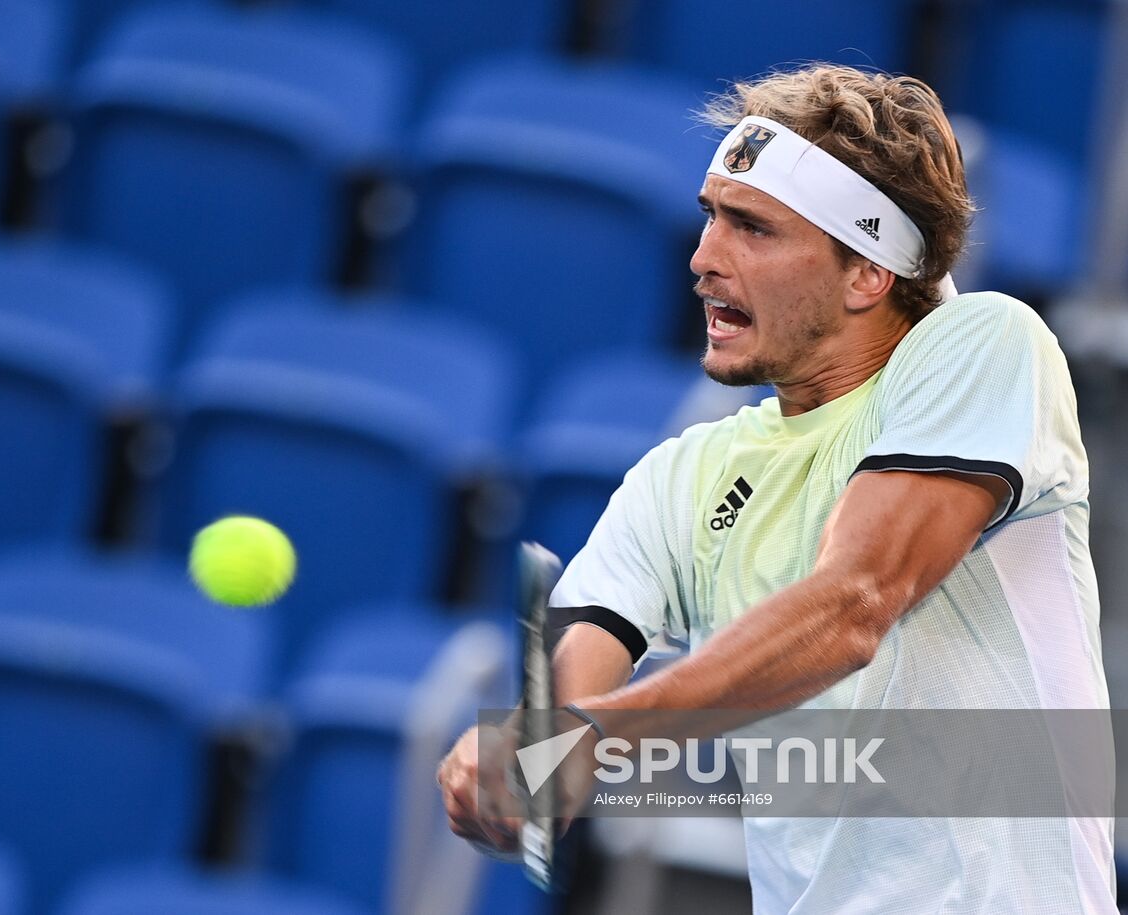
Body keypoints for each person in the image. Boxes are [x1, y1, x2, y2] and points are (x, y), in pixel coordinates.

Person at [437, 65, 1114, 912]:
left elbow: (854, 600)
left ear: (867, 272)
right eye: (709, 216)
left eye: (752, 228)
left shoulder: (990, 346)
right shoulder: (679, 477)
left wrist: (597, 732)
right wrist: (525, 761)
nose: (703, 259)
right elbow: (575, 701)